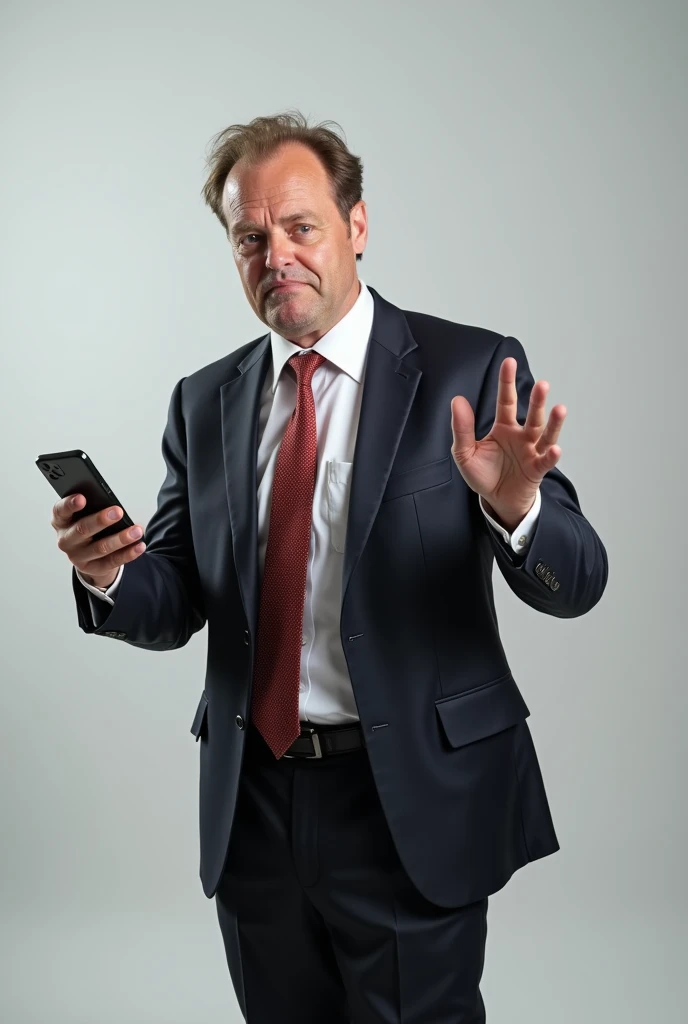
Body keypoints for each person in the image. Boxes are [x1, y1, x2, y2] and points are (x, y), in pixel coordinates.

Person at [50, 112, 608, 1023]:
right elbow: (177, 596)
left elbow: (580, 582)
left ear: (355, 226)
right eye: (249, 237)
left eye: (301, 226)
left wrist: (518, 507)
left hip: (406, 800)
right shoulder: (204, 400)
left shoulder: (468, 368)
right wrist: (109, 573)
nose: (277, 256)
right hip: (255, 804)